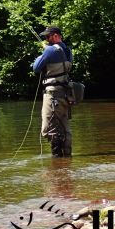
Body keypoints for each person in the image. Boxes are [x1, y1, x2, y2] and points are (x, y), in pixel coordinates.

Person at [33, 26, 73, 157]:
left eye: (48, 36)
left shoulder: (50, 50)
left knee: (48, 127)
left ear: (56, 36)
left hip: (52, 94)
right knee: (64, 124)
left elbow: (36, 68)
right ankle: (66, 158)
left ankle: (57, 159)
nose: (46, 39)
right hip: (65, 94)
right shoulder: (68, 50)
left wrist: (42, 54)